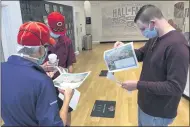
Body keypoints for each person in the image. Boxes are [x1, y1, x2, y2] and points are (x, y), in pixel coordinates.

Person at [114, 5, 189, 126]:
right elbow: (142, 54)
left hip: (158, 113)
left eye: (143, 29)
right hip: (146, 104)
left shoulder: (177, 46)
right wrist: (125, 50)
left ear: (153, 23)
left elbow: (175, 87)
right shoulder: (155, 37)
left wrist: (138, 85)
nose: (142, 33)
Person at [1, 21, 74, 126]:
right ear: (40, 49)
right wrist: (67, 99)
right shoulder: (43, 82)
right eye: (45, 47)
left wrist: (38, 69)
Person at [45, 12, 76, 126]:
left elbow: (70, 64)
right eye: (55, 31)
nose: (57, 34)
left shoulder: (67, 41)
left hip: (63, 83)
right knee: (52, 114)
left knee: (68, 108)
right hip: (46, 84)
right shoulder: (42, 43)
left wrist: (70, 80)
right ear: (48, 25)